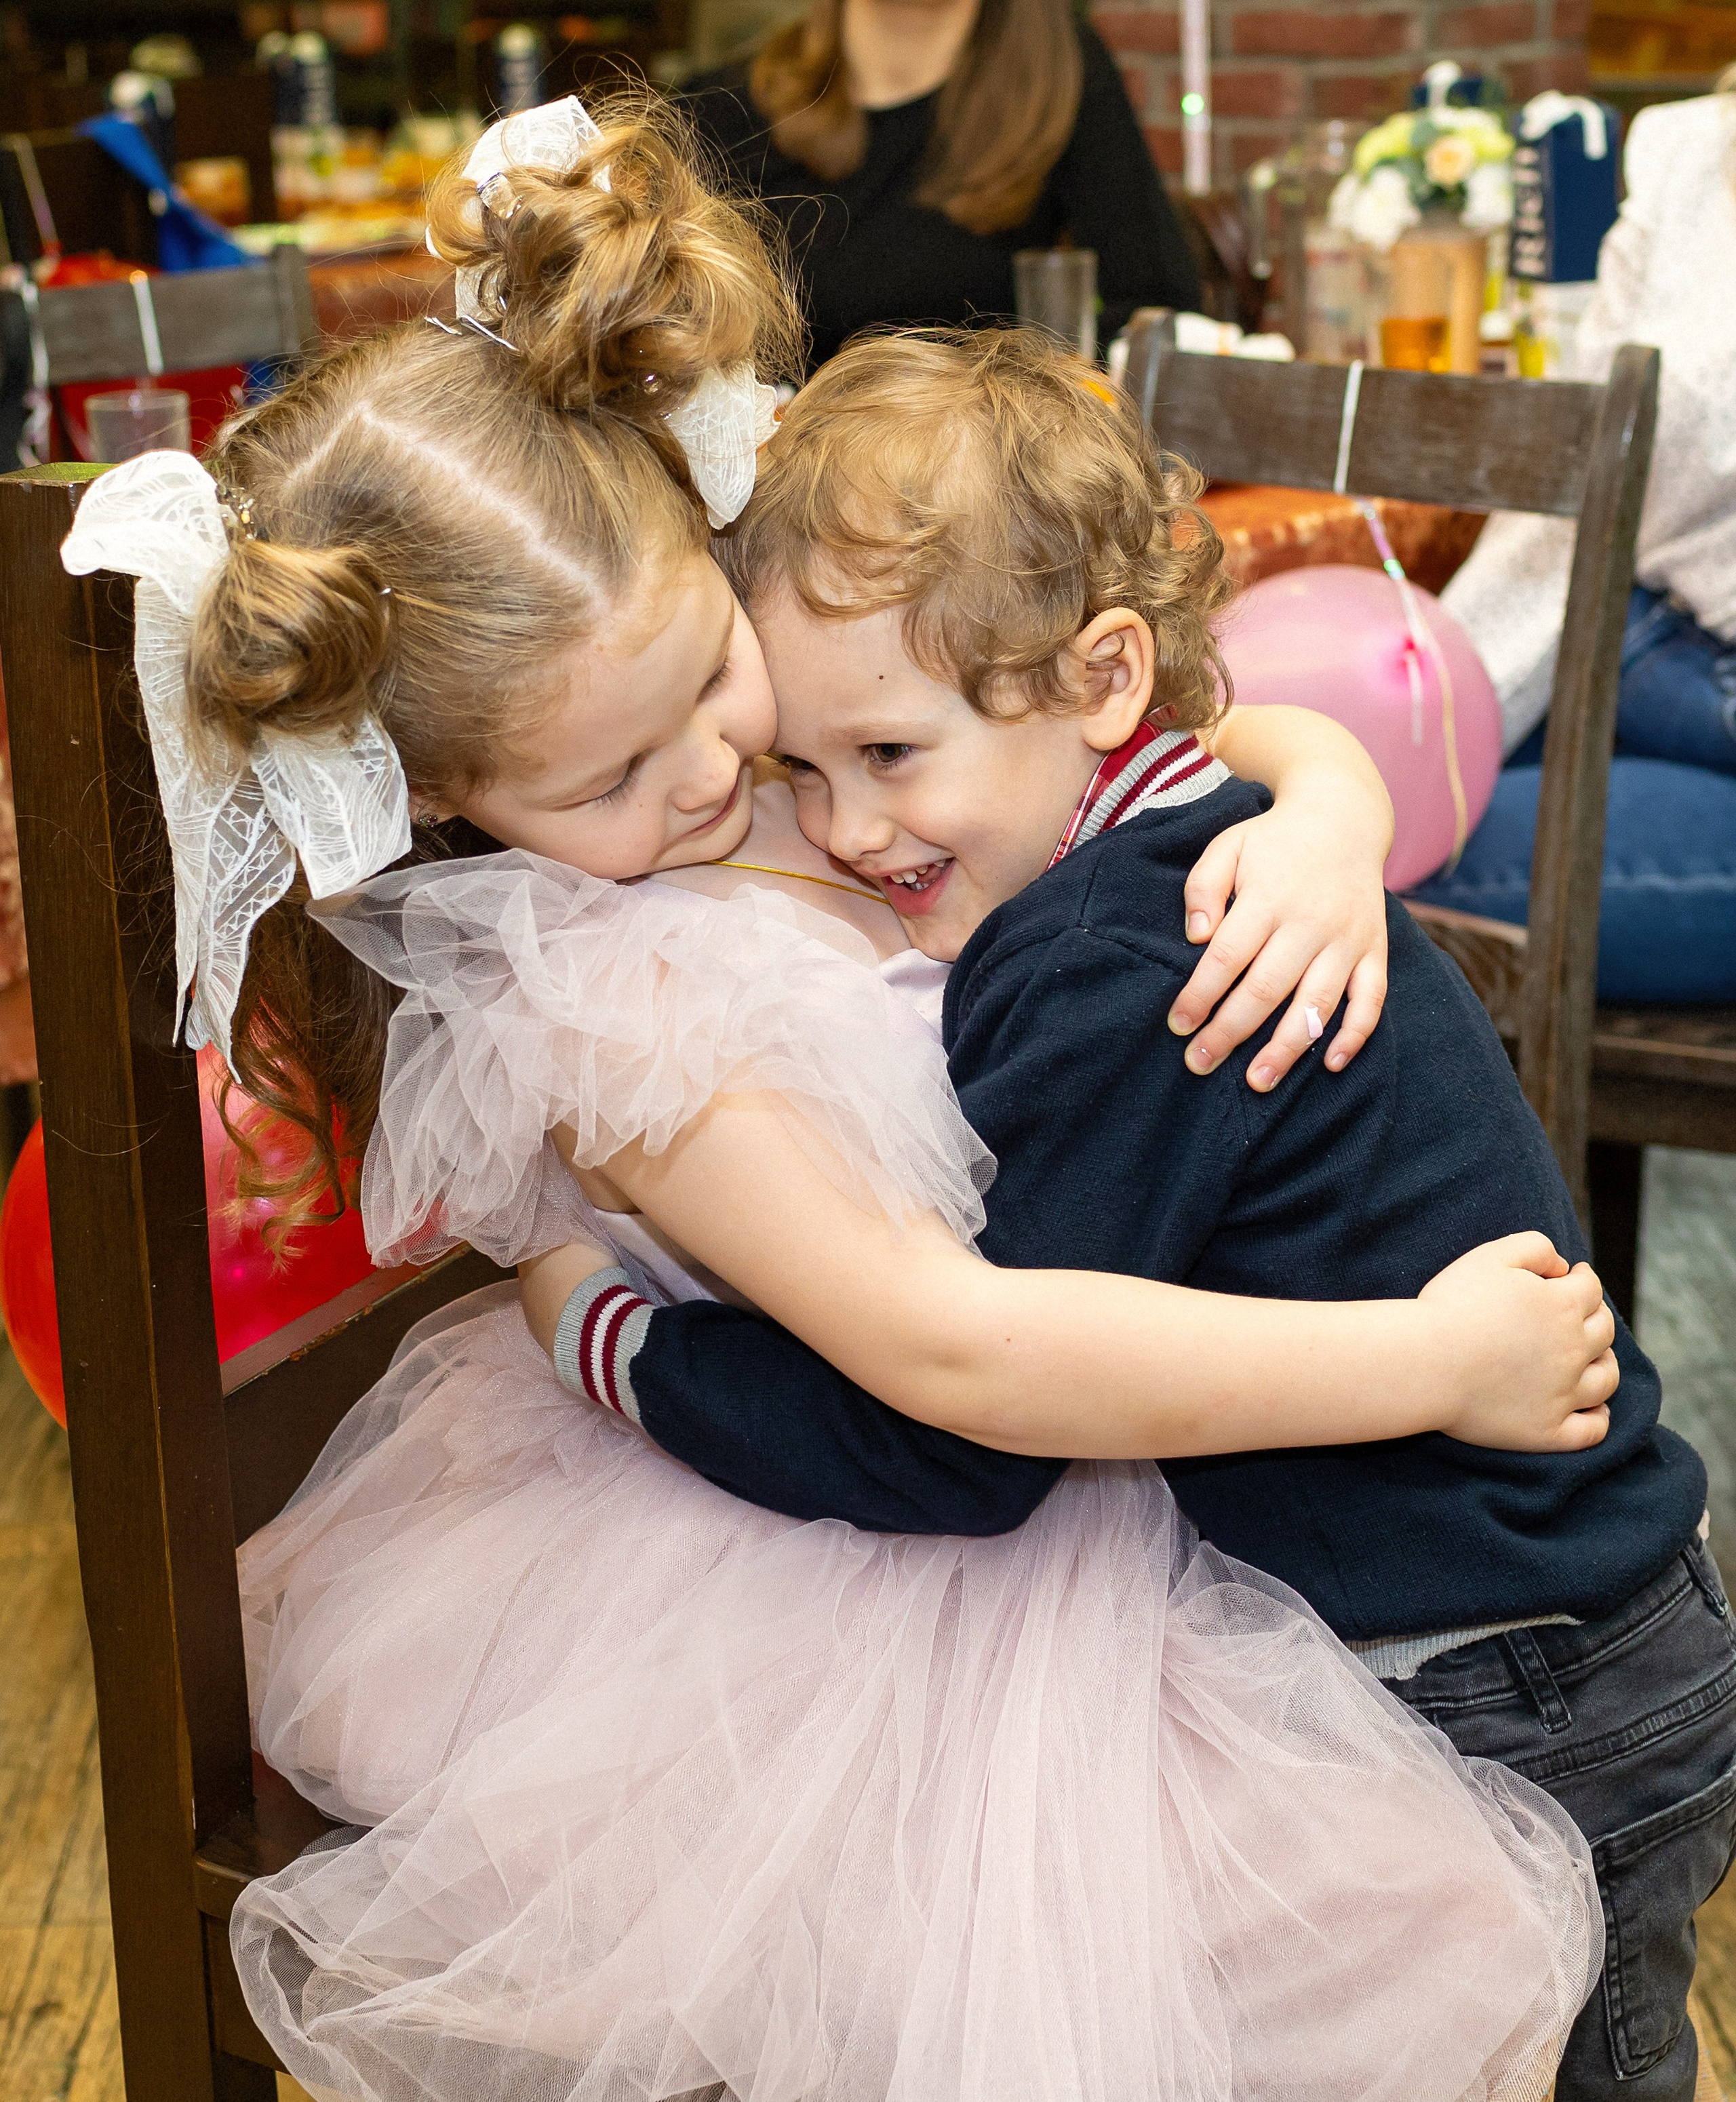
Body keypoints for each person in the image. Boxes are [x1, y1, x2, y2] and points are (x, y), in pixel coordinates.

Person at [65, 99, 1618, 2102]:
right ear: (455, 805)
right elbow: (949, 1356)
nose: (723, 783)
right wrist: (1421, 1360)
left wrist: (1317, 811)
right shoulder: (609, 1005)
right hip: (871, 1546)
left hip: (1102, 1423)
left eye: (711, 683)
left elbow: (1156, 712)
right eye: (611, 780)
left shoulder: (809, 728)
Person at [538, 327, 1729, 2102]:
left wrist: (630, 1348)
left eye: (888, 749)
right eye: (804, 764)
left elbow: (969, 1439)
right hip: (1572, 1617)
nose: (849, 823)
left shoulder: (1106, 964)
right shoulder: (1174, 827)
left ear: (1101, 677)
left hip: (1515, 1672)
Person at [1413, 80, 1736, 1003]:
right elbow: (1579, 475)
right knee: (1303, 815)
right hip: (1633, 653)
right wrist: (1442, 702)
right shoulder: (1688, 149)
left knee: (1346, 879)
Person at [680, 0, 1199, 369]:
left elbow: (1158, 307)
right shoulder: (716, 109)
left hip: (986, 490)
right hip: (778, 488)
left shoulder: (1062, 78)